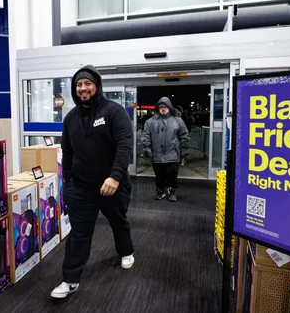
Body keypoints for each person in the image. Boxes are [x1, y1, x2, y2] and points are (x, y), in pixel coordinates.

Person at [51, 65, 135, 299]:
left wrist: (115, 176)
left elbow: (124, 145)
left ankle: (126, 251)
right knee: (79, 233)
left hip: (112, 186)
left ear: (96, 86)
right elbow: (67, 152)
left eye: (87, 83)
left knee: (119, 222)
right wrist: (67, 182)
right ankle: (70, 279)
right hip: (81, 187)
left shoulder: (113, 112)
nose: (83, 88)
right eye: (78, 84)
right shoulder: (70, 119)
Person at [141, 97, 189, 202]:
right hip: (157, 155)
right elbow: (146, 136)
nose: (163, 109)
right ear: (157, 108)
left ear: (169, 108)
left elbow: (184, 136)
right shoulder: (150, 122)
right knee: (159, 175)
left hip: (173, 154)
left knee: (172, 174)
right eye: (161, 107)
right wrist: (147, 147)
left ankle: (172, 191)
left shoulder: (178, 121)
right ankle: (160, 190)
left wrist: (184, 150)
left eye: (165, 107)